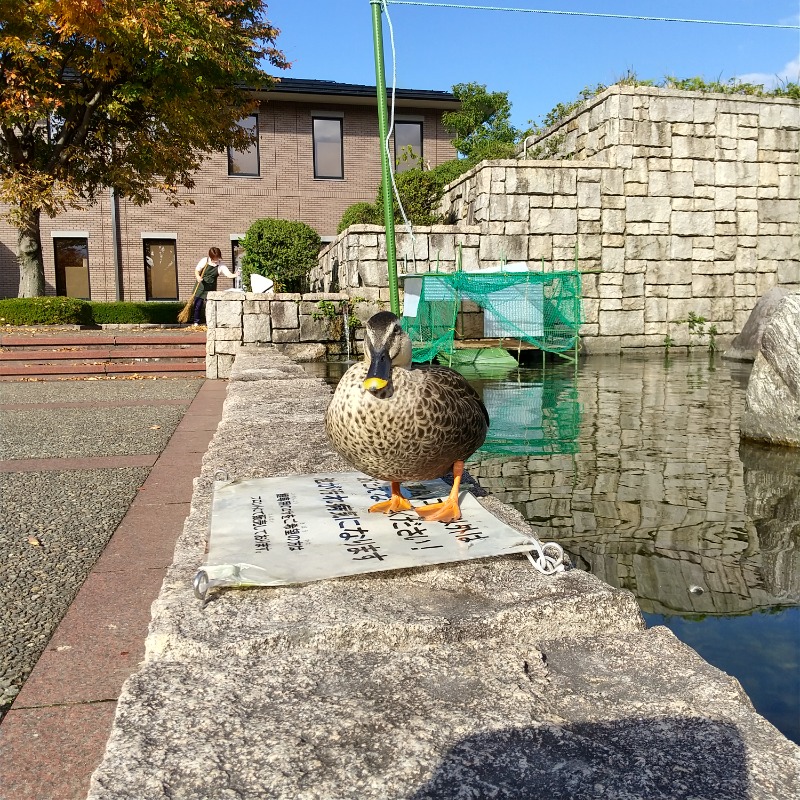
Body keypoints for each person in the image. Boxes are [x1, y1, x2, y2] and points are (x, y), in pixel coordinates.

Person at [193, 247, 238, 325]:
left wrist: (235, 275)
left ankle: (209, 323)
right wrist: (198, 277)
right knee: (198, 305)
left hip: (211, 288)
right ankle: (196, 322)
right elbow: (197, 270)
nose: (216, 260)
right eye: (214, 258)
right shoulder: (205, 260)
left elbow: (228, 274)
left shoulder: (221, 265)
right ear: (210, 257)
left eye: (217, 258)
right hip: (200, 286)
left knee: (210, 306)